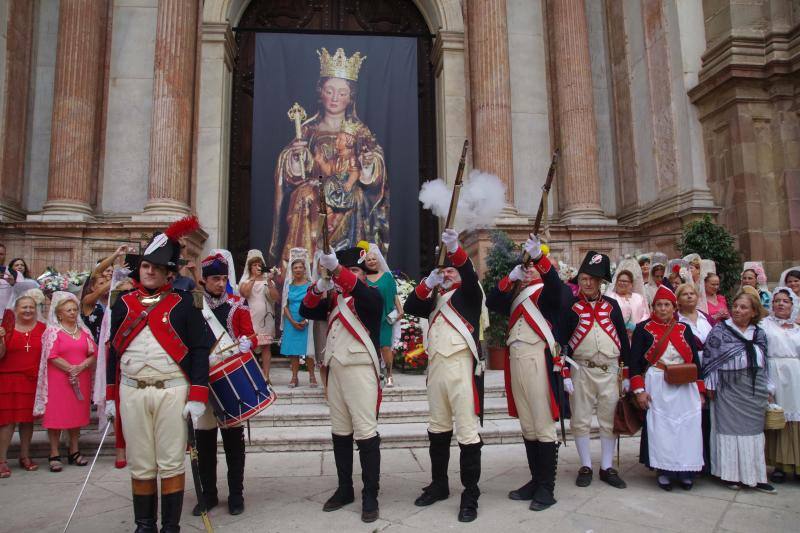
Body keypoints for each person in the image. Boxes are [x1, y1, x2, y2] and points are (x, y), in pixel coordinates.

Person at [104, 216, 212, 532]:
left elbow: (200, 350)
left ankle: (170, 526)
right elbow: (114, 352)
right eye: (145, 266)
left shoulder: (184, 303)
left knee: (169, 461)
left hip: (172, 389)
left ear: (168, 272)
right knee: (141, 461)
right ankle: (145, 524)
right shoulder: (121, 304)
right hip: (132, 390)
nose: (149, 271)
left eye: (156, 266)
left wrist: (197, 395)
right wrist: (111, 395)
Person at [269, 47, 389, 276]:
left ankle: (352, 269)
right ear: (320, 92)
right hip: (316, 188)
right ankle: (303, 271)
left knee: (357, 197)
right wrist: (296, 156)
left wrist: (368, 162)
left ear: (351, 97)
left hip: (348, 189)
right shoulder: (308, 128)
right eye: (329, 91)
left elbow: (375, 165)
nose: (335, 98)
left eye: (342, 93)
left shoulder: (361, 130)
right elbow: (293, 170)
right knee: (304, 195)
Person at [403, 229, 485, 522]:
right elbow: (412, 306)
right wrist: (428, 283)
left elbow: (469, 277)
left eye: (452, 269)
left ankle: (470, 493)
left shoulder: (469, 294)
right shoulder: (435, 298)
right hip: (437, 368)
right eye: (445, 269)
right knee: (437, 428)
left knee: (466, 432)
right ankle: (439, 485)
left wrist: (456, 251)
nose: (448, 272)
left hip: (461, 368)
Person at [300, 246, 383, 523]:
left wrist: (337, 270)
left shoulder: (371, 296)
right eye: (349, 271)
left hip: (360, 370)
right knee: (340, 432)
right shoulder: (334, 300)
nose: (351, 275)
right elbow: (305, 309)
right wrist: (320, 286)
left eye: (356, 270)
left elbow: (364, 295)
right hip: (335, 370)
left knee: (366, 433)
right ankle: (345, 488)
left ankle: (370, 494)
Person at [485, 235, 563, 511]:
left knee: (542, 423)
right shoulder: (517, 293)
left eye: (530, 265)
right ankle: (535, 480)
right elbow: (493, 301)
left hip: (537, 360)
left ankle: (547, 487)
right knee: (528, 425)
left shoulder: (547, 290)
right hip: (516, 359)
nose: (527, 269)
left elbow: (561, 294)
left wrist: (542, 261)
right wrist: (510, 277)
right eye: (525, 265)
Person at [193, 253, 261, 516]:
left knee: (234, 442)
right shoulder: (195, 305)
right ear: (205, 280)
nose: (221, 284)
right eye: (215, 279)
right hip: (204, 381)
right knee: (205, 441)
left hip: (231, 379)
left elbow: (252, 336)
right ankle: (209, 495)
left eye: (223, 278)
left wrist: (249, 343)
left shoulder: (238, 305)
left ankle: (236, 494)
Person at [559, 251, 630, 489]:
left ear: (601, 282)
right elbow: (563, 342)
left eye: (591, 279)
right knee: (580, 419)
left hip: (610, 371)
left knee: (609, 419)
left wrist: (628, 374)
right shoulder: (571, 306)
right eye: (583, 278)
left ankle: (607, 466)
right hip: (581, 370)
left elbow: (623, 339)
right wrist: (565, 373)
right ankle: (586, 465)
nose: (587, 283)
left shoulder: (612, 306)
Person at [630, 286, 705, 490]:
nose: (663, 309)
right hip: (658, 383)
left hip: (685, 384)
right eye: (659, 305)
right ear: (653, 307)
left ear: (674, 308)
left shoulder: (684, 329)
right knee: (662, 428)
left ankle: (686, 471)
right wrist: (639, 391)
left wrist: (700, 391)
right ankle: (665, 470)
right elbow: (635, 363)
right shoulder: (643, 329)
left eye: (667, 305)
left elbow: (696, 362)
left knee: (687, 428)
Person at [703, 291, 775, 493]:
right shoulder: (720, 331)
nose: (737, 310)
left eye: (743, 307)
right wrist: (710, 385)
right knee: (729, 432)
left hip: (754, 388)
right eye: (735, 306)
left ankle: (756, 475)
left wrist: (768, 387)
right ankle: (730, 474)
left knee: (754, 433)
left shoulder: (759, 333)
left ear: (753, 312)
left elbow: (764, 361)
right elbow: (710, 360)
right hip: (728, 387)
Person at [32, 292, 97, 473]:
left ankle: (74, 450)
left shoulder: (84, 331)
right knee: (56, 416)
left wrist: (82, 366)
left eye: (75, 309)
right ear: (59, 313)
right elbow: (51, 356)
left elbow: (93, 353)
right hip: (59, 380)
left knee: (75, 416)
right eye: (68, 310)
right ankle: (54, 453)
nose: (72, 312)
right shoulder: (52, 332)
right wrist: (71, 368)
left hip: (80, 377)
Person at [0, 293, 47, 477]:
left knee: (28, 421)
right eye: (24, 307)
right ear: (16, 309)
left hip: (32, 380)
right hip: (9, 381)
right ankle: (2, 460)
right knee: (7, 422)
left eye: (31, 307)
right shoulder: (6, 328)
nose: (28, 310)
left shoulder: (43, 328)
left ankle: (24, 456)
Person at [762, 287, 800, 482]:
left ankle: (797, 464)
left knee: (797, 420)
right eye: (777, 301)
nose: (780, 304)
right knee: (777, 418)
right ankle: (779, 465)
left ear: (792, 305)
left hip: (796, 377)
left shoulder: (797, 328)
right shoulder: (765, 326)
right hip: (774, 373)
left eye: (785, 301)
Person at [364, 242, 401, 387]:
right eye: (369, 260)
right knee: (371, 347)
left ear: (378, 260)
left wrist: (400, 310)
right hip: (368, 319)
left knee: (385, 347)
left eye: (374, 259)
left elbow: (394, 296)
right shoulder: (363, 278)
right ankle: (374, 374)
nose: (372, 261)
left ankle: (389, 374)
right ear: (365, 263)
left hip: (385, 318)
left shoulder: (387, 277)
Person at [280, 248, 317, 388]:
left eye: (300, 267)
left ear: (305, 269)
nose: (298, 269)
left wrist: (306, 320)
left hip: (308, 321)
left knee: (309, 351)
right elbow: (285, 305)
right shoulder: (288, 286)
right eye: (295, 267)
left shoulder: (310, 285)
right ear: (292, 269)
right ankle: (294, 377)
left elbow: (314, 304)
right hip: (292, 321)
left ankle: (312, 376)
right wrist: (293, 321)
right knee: (294, 352)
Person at [239, 249, 279, 378]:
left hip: (266, 319)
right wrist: (254, 278)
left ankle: (266, 376)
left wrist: (270, 282)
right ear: (250, 267)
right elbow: (245, 294)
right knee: (250, 346)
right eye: (255, 265)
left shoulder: (268, 281)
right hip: (250, 319)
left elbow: (275, 298)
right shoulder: (245, 281)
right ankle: (252, 375)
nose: (258, 267)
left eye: (259, 264)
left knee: (266, 347)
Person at [80, 245, 129, 343]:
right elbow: (99, 287)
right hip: (93, 346)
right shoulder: (88, 300)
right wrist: (116, 275)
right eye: (101, 283)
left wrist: (118, 255)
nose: (105, 286)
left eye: (106, 283)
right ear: (92, 287)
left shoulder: (113, 298)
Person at [604, 258, 650, 338]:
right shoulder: (610, 296)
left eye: (625, 281)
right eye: (620, 280)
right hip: (616, 335)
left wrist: (636, 327)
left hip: (637, 335)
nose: (622, 283)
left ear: (631, 284)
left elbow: (646, 314)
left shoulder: (638, 297)